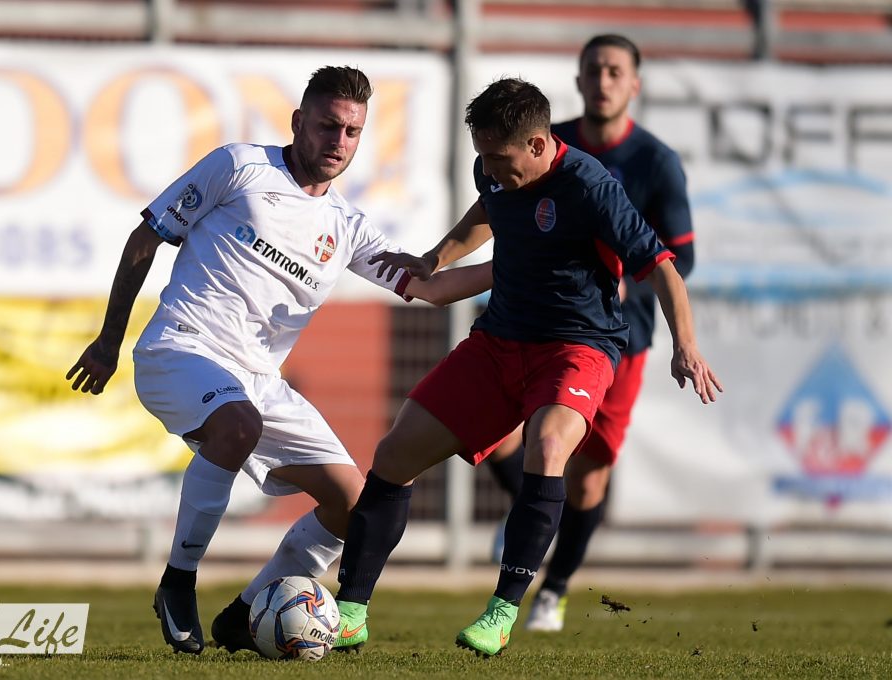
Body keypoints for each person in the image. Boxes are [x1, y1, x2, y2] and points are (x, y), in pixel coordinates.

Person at [66, 66, 491, 656]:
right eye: (327, 126)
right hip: (181, 347)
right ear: (298, 122)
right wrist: (109, 340)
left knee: (352, 503)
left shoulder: (346, 227)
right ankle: (178, 582)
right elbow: (146, 238)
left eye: (352, 132)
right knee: (238, 424)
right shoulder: (239, 166)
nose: (338, 142)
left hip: (260, 383)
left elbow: (430, 287)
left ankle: (244, 616)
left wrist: (518, 266)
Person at [331, 77, 721, 657]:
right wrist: (435, 259)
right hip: (499, 340)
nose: (489, 168)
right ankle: (350, 612)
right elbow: (487, 210)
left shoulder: (591, 186)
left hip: (577, 346)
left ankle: (503, 611)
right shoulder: (493, 168)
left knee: (549, 446)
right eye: (483, 157)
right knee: (394, 455)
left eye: (500, 158)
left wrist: (685, 345)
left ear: (538, 145)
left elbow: (662, 266)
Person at [482, 34, 698, 632]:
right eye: (593, 70)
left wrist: (623, 279)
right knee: (496, 438)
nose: (603, 81)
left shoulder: (656, 162)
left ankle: (552, 589)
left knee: (590, 477)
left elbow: (679, 258)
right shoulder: (544, 147)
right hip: (533, 327)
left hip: (618, 339)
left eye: (614, 71)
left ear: (634, 84)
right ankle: (532, 514)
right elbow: (501, 214)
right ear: (578, 81)